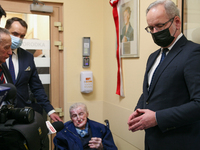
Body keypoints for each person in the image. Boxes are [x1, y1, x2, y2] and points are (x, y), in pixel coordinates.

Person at [127, 0, 200, 150]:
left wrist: (157, 118)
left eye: (159, 26)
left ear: (177, 22)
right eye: (150, 28)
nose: (155, 32)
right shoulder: (153, 57)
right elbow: (149, 91)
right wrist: (138, 111)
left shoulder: (193, 53)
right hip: (152, 142)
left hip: (179, 142)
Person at [3, 17, 61, 122]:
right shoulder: (1, 56)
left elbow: (37, 87)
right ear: (5, 31)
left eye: (22, 36)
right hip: (2, 113)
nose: (18, 39)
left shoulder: (28, 57)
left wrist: (50, 110)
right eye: (15, 34)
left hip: (22, 113)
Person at [53, 103, 118, 150]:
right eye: (74, 116)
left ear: (87, 114)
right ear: (71, 118)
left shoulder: (101, 129)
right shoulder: (63, 133)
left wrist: (102, 147)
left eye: (81, 114)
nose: (78, 119)